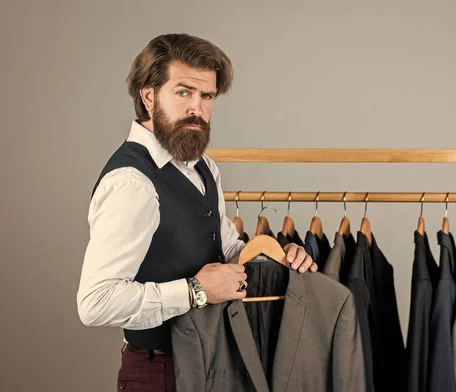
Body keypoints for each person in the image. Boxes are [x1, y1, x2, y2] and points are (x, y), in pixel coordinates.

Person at [76, 33, 316, 391]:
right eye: (184, 92)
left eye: (207, 96)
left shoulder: (202, 165)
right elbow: (95, 303)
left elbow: (226, 246)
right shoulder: (131, 183)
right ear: (148, 95)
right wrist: (195, 291)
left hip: (214, 361)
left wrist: (279, 257)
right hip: (161, 372)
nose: (197, 108)